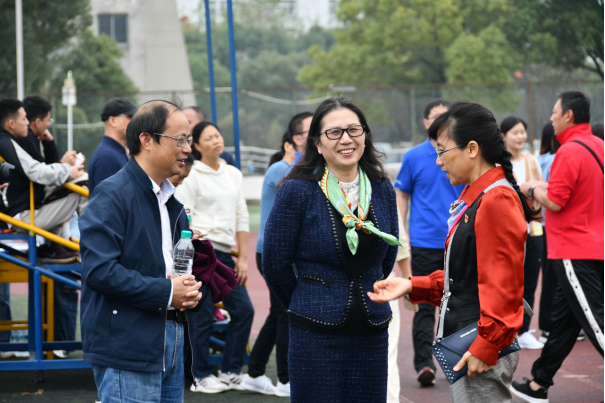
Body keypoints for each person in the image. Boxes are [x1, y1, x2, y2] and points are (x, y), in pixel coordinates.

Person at [370, 101, 533, 402]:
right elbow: (465, 279)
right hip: (472, 340)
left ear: (472, 149)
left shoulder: (495, 199)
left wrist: (487, 345)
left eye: (442, 151)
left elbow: (504, 285)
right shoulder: (480, 196)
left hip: (478, 345)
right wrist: (412, 285)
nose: (438, 162)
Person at [263, 97, 401, 402]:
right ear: (317, 143)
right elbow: (275, 263)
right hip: (314, 331)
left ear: (365, 135)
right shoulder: (297, 190)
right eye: (334, 132)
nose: (346, 139)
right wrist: (308, 298)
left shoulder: (381, 188)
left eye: (354, 130)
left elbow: (385, 259)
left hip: (371, 329)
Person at [79, 100, 204, 402]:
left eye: (188, 139)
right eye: (180, 139)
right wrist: (167, 292)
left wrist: (185, 290)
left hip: (170, 339)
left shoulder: (171, 202)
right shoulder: (113, 193)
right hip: (128, 345)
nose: (188, 148)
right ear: (146, 140)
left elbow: (168, 267)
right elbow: (99, 271)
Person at [511, 91, 604, 403]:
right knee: (565, 321)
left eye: (554, 112)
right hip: (596, 244)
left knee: (596, 321)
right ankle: (539, 383)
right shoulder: (599, 146)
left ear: (568, 116)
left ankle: (539, 382)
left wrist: (531, 189)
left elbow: (556, 201)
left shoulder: (569, 151)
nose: (550, 117)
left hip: (575, 249)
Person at [174, 121, 253, 393]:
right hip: (201, 252)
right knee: (202, 315)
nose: (216, 141)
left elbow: (241, 213)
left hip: (226, 256)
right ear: (196, 145)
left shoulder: (233, 173)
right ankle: (200, 375)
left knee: (243, 310)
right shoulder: (192, 174)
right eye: (208, 138)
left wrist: (243, 258)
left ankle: (231, 371)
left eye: (217, 135)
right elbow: (185, 212)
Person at [240, 112, 313, 397]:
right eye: (312, 131)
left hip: (282, 251)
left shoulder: (301, 166)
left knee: (277, 312)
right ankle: (285, 380)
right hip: (274, 252)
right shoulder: (281, 169)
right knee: (285, 312)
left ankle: (255, 373)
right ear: (296, 139)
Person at [393, 98, 464, 386]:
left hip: (457, 241)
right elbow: (402, 193)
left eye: (446, 115)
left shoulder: (461, 152)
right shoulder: (413, 157)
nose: (441, 120)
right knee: (424, 304)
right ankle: (424, 364)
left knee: (457, 304)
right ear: (425, 123)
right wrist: (401, 232)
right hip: (423, 242)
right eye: (436, 116)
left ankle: (454, 360)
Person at [0, 98, 87, 262]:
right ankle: (93, 244)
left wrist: (66, 170)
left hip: (22, 210)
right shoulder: (5, 142)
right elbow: (35, 171)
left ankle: (62, 244)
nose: (28, 123)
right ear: (11, 123)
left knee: (81, 184)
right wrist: (67, 170)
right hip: (21, 216)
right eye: (24, 119)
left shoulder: (9, 141)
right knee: (82, 187)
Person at [501, 116, 545, 350]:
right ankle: (509, 329)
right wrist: (527, 188)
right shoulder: (499, 163)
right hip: (509, 230)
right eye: (515, 132)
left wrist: (530, 188)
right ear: (503, 135)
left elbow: (543, 187)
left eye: (523, 132)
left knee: (530, 280)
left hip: (533, 228)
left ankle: (525, 330)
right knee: (509, 282)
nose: (520, 136)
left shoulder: (531, 160)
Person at [537, 123, 559, 344]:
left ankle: (547, 326)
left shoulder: (540, 159)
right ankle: (550, 325)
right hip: (551, 224)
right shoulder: (554, 160)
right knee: (554, 276)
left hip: (542, 224)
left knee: (548, 276)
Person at [88, 97, 137, 194]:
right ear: (113, 121)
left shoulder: (118, 152)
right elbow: (105, 200)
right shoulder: (107, 156)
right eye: (130, 117)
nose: (135, 122)